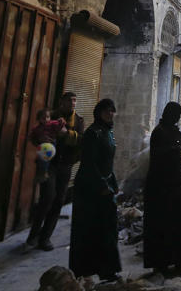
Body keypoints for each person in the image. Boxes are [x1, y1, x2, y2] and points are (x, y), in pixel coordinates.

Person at [69, 98, 122, 282]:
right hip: (90, 190)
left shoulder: (108, 132)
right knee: (89, 231)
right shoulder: (93, 133)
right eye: (107, 111)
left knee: (107, 230)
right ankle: (85, 269)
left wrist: (113, 184)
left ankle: (106, 270)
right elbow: (89, 164)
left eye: (112, 111)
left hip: (104, 187)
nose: (110, 114)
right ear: (99, 113)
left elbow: (108, 163)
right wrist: (101, 186)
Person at [144, 102, 181, 277]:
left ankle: (180, 260)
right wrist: (175, 150)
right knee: (162, 224)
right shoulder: (159, 132)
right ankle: (161, 264)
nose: (178, 118)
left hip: (174, 182)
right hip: (160, 185)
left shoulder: (174, 132)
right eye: (176, 114)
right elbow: (158, 156)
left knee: (180, 222)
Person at [27, 92, 84, 250]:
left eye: (75, 100)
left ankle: (45, 238)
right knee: (47, 198)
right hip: (49, 165)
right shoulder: (50, 116)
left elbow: (81, 140)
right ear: (61, 102)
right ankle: (33, 235)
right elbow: (34, 135)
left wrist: (68, 134)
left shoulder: (78, 120)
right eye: (70, 100)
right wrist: (41, 140)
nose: (73, 103)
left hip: (66, 165)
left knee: (59, 200)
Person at [28, 108, 65, 182]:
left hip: (51, 144)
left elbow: (59, 126)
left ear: (50, 117)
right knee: (41, 158)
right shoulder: (37, 128)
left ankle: (44, 173)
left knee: (45, 158)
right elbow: (32, 135)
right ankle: (40, 173)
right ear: (39, 119)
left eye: (47, 117)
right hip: (43, 144)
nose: (46, 119)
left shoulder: (52, 124)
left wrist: (62, 122)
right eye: (43, 118)